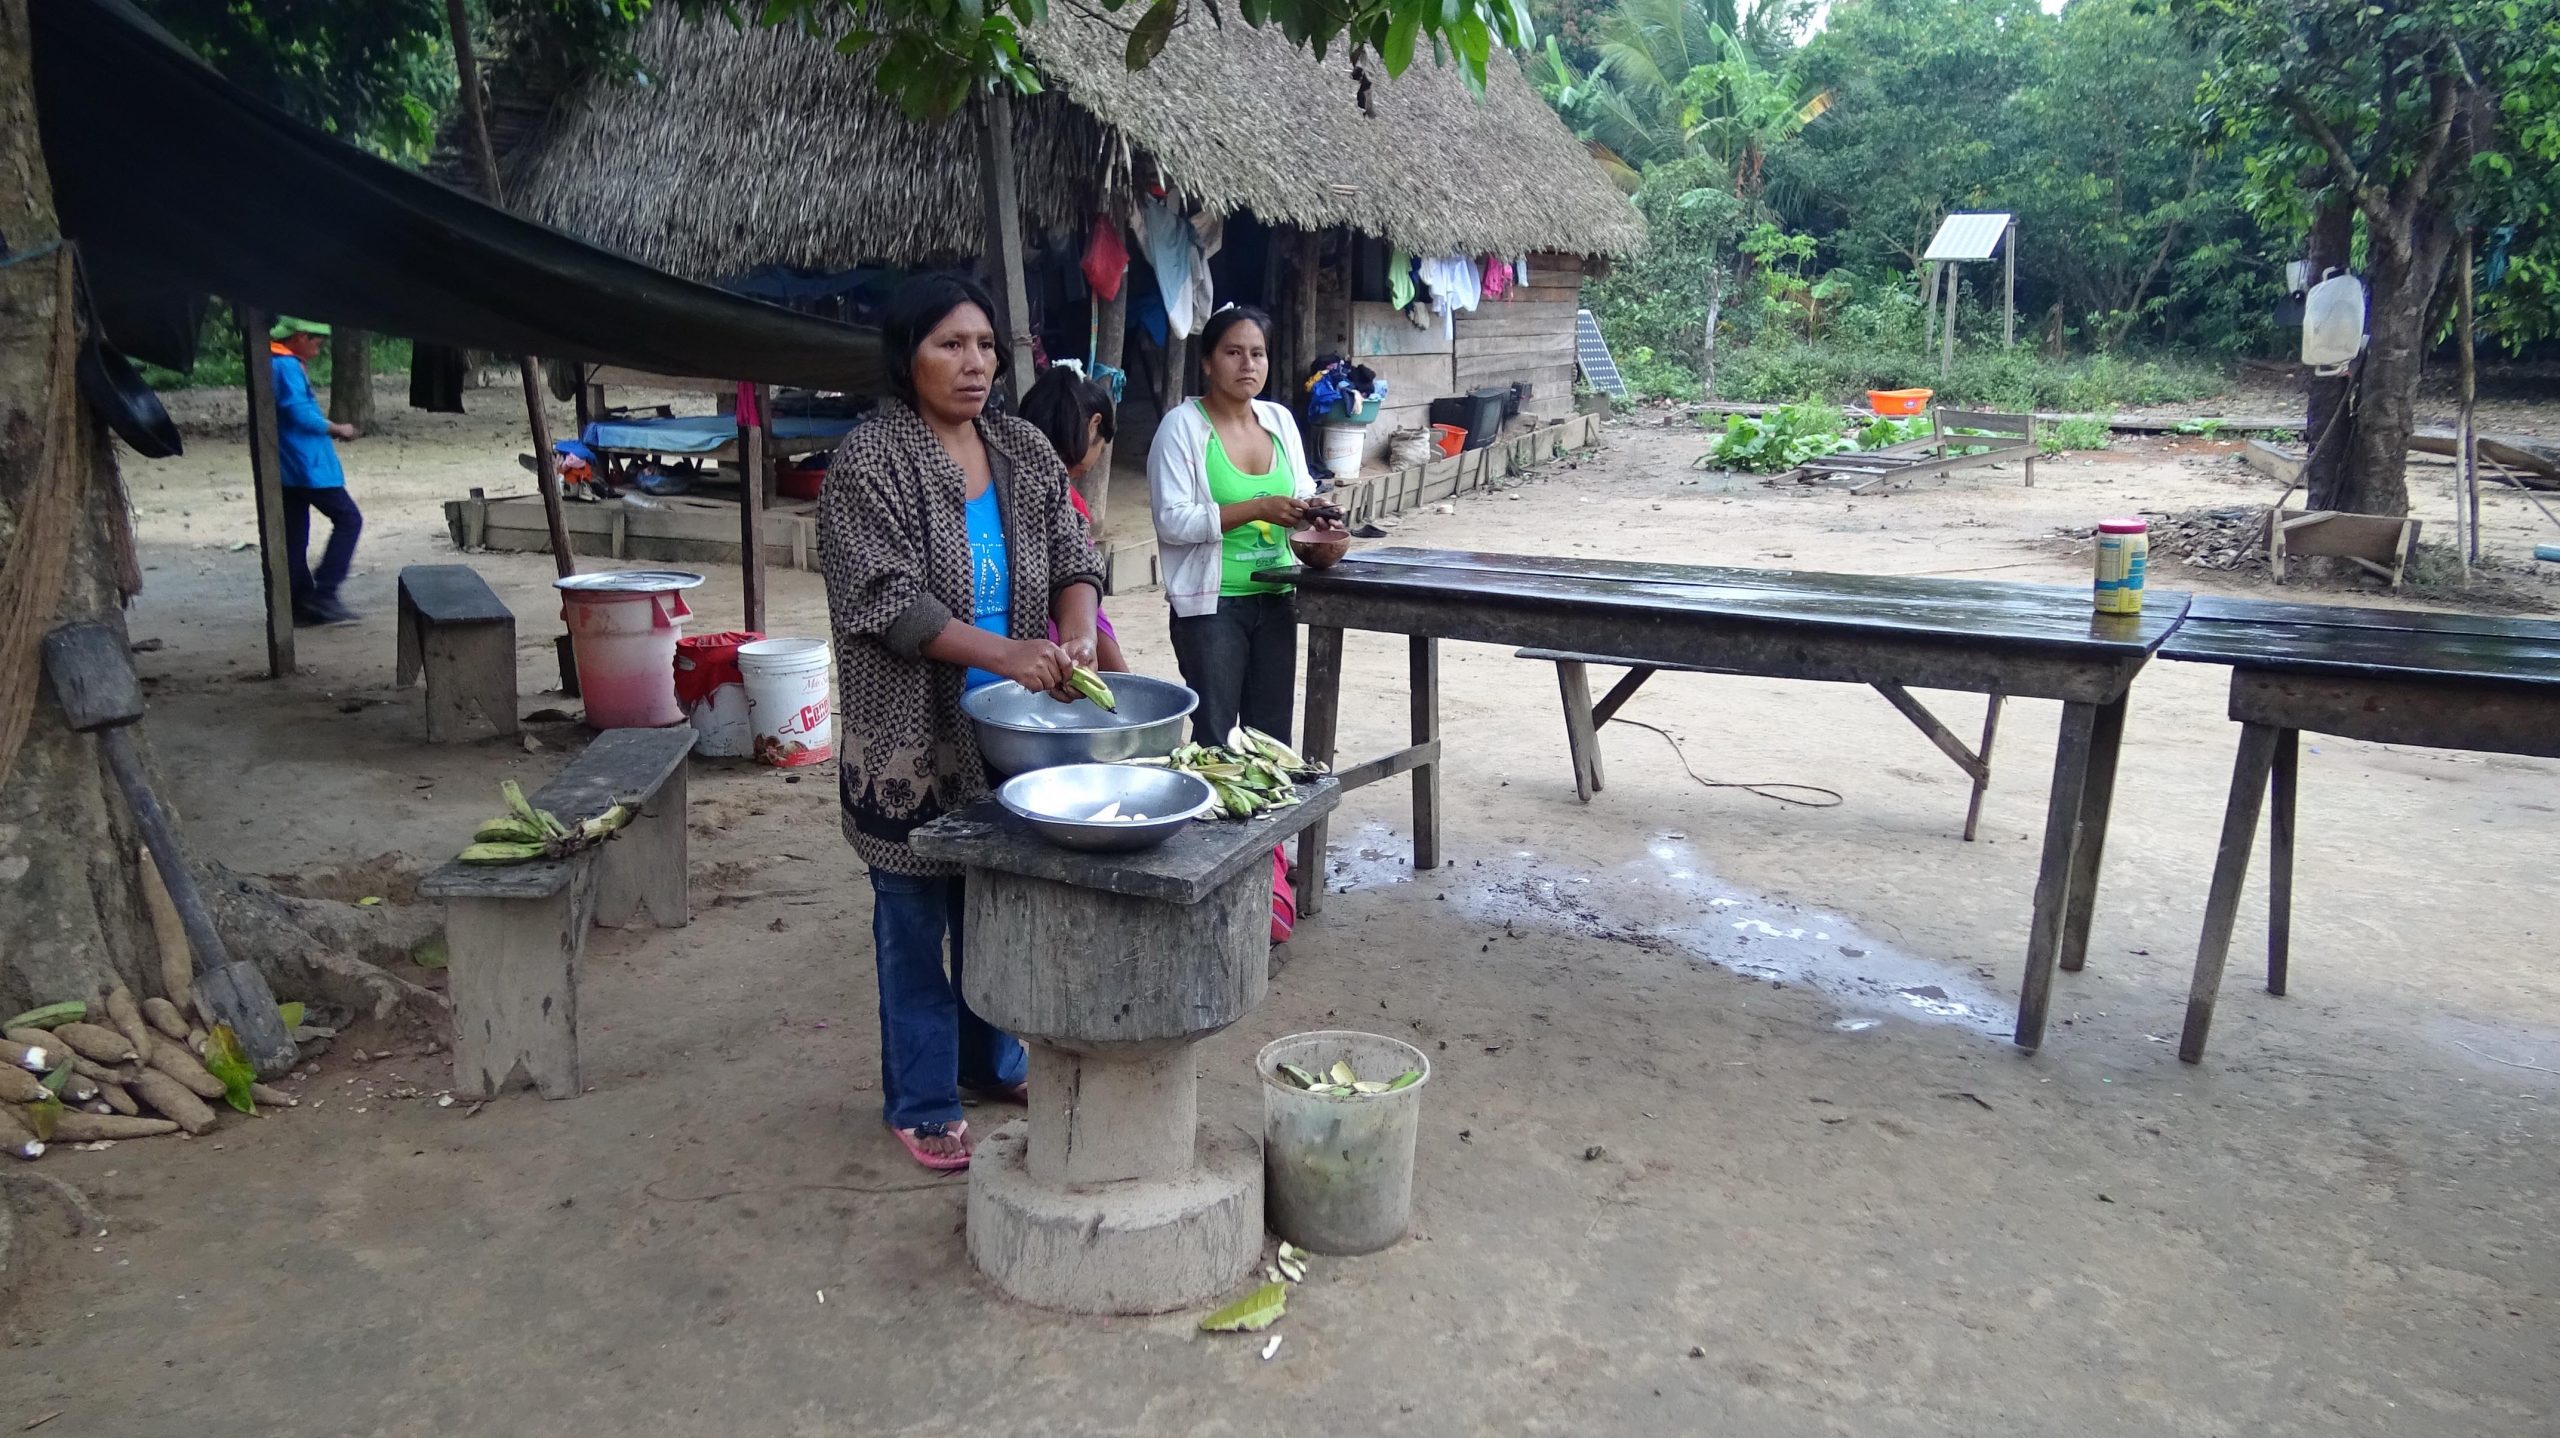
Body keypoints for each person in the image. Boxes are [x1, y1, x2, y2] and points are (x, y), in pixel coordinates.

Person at [816, 275, 1105, 1171]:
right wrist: (1009, 653)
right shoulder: (871, 461)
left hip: (1006, 738)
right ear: (908, 356)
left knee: (994, 906)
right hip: (907, 735)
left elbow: (1072, 548)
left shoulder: (1020, 446)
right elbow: (885, 599)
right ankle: (925, 1097)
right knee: (913, 917)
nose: (973, 362)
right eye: (950, 344)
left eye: (984, 344)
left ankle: (993, 1061)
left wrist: (1081, 623)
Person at [1146, 305, 1321, 745]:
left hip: (1277, 594)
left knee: (1271, 739)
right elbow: (1171, 521)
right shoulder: (1181, 428)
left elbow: (1301, 487)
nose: (1248, 364)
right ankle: (1216, 817)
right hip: (1213, 606)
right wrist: (1257, 509)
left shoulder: (1279, 420)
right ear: (1207, 362)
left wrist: (1315, 508)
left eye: (1258, 353)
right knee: (1218, 735)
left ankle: (1269, 818)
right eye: (1234, 352)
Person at [1018, 365, 1128, 673]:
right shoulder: (1066, 503)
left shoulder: (998, 485)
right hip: (1058, 654)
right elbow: (1088, 606)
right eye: (1102, 448)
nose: (1094, 463)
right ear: (1095, 425)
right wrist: (1120, 674)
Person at [267, 318, 363, 625]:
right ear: (299, 337)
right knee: (349, 519)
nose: (318, 348)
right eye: (315, 342)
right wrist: (336, 427)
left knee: (295, 535)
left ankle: (300, 603)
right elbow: (299, 412)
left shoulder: (273, 361)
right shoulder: (286, 366)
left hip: (285, 467)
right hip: (307, 464)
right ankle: (325, 593)